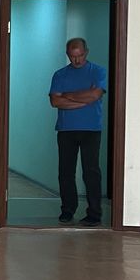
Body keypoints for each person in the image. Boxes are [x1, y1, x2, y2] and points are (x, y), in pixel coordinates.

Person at [48, 38, 107, 226]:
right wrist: (84, 100)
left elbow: (95, 95)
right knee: (65, 172)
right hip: (66, 129)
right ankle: (67, 210)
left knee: (91, 172)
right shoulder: (60, 75)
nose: (77, 60)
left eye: (80, 55)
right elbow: (55, 101)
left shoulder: (98, 71)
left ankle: (94, 214)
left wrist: (67, 95)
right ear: (68, 55)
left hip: (91, 129)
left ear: (86, 52)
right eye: (73, 56)